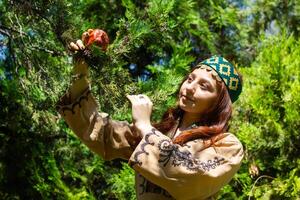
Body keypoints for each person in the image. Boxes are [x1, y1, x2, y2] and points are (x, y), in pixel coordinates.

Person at [56, 31, 244, 200]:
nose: (190, 88)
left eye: (204, 86)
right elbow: (100, 132)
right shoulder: (162, 131)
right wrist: (81, 69)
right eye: (190, 79)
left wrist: (145, 127)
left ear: (219, 103)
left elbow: (191, 177)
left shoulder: (226, 145)